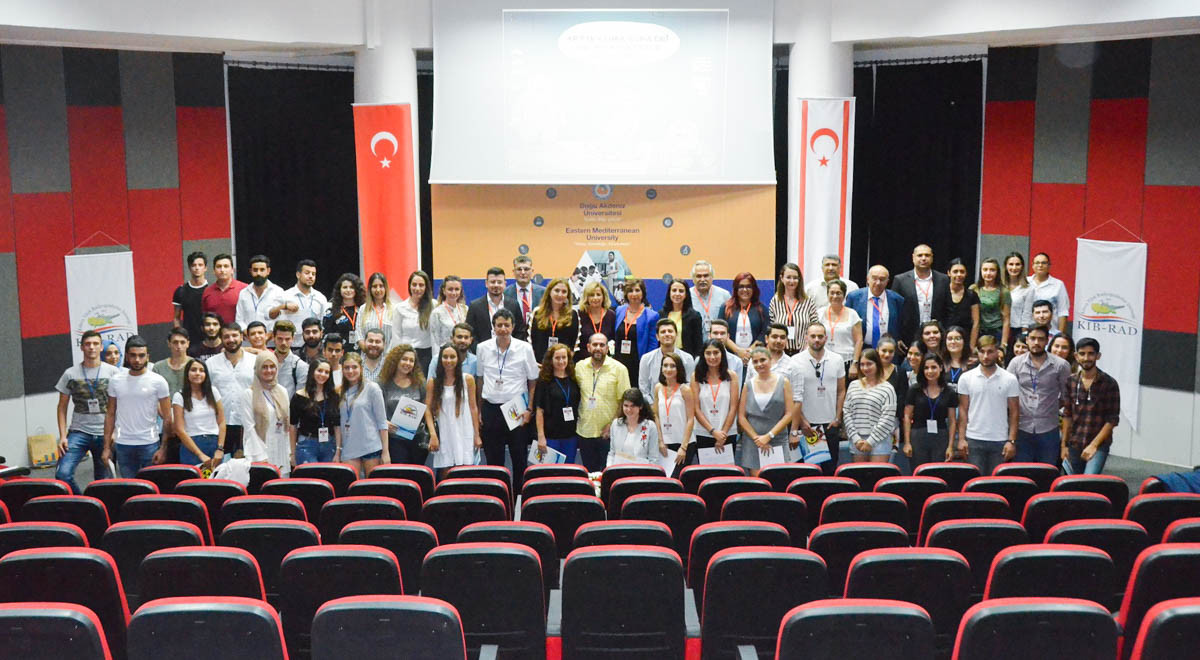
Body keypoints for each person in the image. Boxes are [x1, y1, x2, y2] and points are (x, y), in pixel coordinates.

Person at [476, 309, 539, 492]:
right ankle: (498, 497)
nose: (503, 329)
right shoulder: (482, 348)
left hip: (516, 408)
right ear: (493, 327)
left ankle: (519, 498)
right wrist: (479, 410)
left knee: (519, 458)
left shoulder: (524, 348)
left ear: (513, 327)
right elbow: (480, 379)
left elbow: (533, 380)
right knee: (493, 460)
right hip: (491, 409)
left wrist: (529, 409)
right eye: (499, 325)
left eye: (506, 325)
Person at [55, 330, 119, 493]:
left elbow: (121, 405)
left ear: (101, 347)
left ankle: (97, 506)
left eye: (95, 344)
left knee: (102, 482)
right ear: (82, 347)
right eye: (88, 344)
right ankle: (82, 501)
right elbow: (62, 407)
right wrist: (62, 436)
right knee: (62, 474)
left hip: (105, 434)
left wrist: (115, 431)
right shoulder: (70, 374)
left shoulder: (113, 373)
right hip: (79, 432)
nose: (91, 347)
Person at [102, 336, 171, 478]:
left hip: (150, 443)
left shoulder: (158, 381)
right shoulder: (115, 381)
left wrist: (164, 448)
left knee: (151, 487)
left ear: (147, 357)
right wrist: (107, 447)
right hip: (123, 444)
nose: (137, 360)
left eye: (141, 355)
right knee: (129, 487)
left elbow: (167, 417)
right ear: (127, 356)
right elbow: (110, 414)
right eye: (133, 355)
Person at [1006, 325, 1072, 465]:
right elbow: (1007, 394)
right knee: (1020, 472)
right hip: (1021, 428)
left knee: (1047, 471)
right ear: (1027, 340)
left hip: (1049, 428)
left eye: (1041, 339)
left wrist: (1050, 406)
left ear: (1047, 341)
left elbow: (1067, 398)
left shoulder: (1061, 365)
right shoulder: (1016, 363)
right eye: (1033, 338)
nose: (1036, 342)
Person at [955, 336, 1020, 474]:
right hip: (973, 439)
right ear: (977, 352)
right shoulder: (966, 378)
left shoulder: (1010, 379)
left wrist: (1011, 441)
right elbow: (963, 410)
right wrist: (961, 439)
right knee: (975, 483)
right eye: (982, 351)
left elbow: (1014, 412)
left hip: (1000, 440)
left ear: (997, 352)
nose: (985, 356)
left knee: (996, 483)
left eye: (990, 352)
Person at [791, 323, 846, 474]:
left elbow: (841, 390)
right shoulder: (795, 361)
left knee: (830, 471)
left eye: (820, 336)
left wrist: (838, 418)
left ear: (826, 338)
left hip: (830, 425)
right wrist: (801, 421)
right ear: (806, 337)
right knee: (805, 472)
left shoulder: (837, 359)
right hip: (806, 426)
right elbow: (792, 395)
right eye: (813, 336)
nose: (816, 339)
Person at [1061, 338, 1119, 475]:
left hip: (1098, 444)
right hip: (1074, 443)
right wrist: (1064, 445)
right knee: (1073, 483)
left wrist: (1093, 445)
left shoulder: (1109, 383)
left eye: (1091, 354)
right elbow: (1067, 415)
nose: (1086, 358)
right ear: (1076, 356)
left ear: (1098, 356)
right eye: (1082, 354)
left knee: (1089, 481)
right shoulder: (1070, 381)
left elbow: (1112, 420)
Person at [575, 333, 632, 472]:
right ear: (588, 347)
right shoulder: (579, 367)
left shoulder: (619, 369)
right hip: (585, 431)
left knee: (609, 474)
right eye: (595, 344)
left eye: (602, 345)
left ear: (607, 348)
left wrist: (611, 425)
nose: (598, 348)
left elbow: (625, 401)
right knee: (589, 474)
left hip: (609, 433)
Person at [737, 345, 795, 475]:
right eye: (755, 362)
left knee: (778, 480)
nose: (759, 364)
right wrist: (757, 439)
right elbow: (741, 417)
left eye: (762, 360)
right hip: (753, 442)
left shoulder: (783, 382)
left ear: (770, 360)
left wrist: (769, 436)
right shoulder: (748, 385)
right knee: (758, 483)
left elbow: (789, 414)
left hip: (777, 439)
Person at [426, 343, 481, 476]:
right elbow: (427, 410)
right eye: (445, 357)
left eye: (452, 357)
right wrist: (433, 435)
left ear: (458, 359)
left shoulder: (468, 379)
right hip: (444, 431)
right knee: (445, 472)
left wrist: (477, 435)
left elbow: (473, 408)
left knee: (465, 471)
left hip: (464, 429)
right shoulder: (433, 382)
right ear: (440, 359)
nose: (449, 360)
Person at [207, 323, 256, 458]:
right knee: (220, 465)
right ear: (221, 339)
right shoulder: (211, 363)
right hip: (220, 424)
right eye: (226, 336)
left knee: (247, 464)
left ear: (242, 337)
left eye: (235, 335)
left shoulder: (255, 361)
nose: (231, 340)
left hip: (247, 423)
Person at [238, 351, 292, 476]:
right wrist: (261, 456)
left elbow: (287, 425)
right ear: (257, 369)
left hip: (280, 450)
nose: (269, 370)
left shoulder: (282, 391)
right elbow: (249, 428)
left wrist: (289, 452)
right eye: (264, 367)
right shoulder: (249, 394)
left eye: (272, 366)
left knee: (282, 485)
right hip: (259, 453)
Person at [902, 354, 958, 468]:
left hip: (941, 436)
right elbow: (907, 416)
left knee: (937, 472)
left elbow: (952, 421)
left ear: (941, 368)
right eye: (926, 368)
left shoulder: (949, 392)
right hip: (918, 436)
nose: (930, 371)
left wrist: (950, 446)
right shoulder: (914, 390)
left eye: (933, 367)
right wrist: (907, 443)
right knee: (919, 472)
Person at [338, 352, 390, 476]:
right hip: (349, 446)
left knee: (371, 485)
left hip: (370, 446)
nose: (350, 371)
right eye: (347, 368)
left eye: (354, 367)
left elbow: (382, 422)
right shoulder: (339, 391)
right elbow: (338, 424)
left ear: (361, 368)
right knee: (351, 485)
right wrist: (338, 450)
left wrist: (385, 452)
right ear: (342, 370)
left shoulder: (372, 388)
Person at [843, 348, 897, 463]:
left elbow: (887, 418)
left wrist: (871, 441)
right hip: (857, 441)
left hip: (880, 441)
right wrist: (856, 439)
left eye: (869, 364)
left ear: (877, 364)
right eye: (862, 364)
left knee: (877, 474)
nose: (865, 368)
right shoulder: (853, 385)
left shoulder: (887, 388)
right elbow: (847, 412)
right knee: (860, 474)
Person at [891, 244, 950, 347]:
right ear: (913, 257)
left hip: (936, 336)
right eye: (920, 255)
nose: (923, 258)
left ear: (932, 258)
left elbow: (948, 309)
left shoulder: (943, 279)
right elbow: (894, 311)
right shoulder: (900, 280)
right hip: (908, 336)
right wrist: (897, 337)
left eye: (927, 255)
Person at [693, 339, 741, 466]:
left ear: (722, 354)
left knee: (726, 473)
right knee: (706, 472)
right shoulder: (696, 376)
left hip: (727, 433)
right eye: (708, 353)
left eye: (716, 353)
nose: (712, 357)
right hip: (704, 432)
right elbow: (696, 409)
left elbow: (733, 407)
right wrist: (713, 431)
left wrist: (722, 433)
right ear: (703, 355)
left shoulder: (732, 376)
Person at [379, 344, 428, 466]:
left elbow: (427, 408)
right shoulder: (383, 383)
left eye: (411, 360)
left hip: (417, 440)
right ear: (395, 360)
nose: (408, 363)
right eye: (404, 359)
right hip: (393, 440)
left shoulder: (420, 383)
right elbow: (375, 411)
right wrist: (384, 422)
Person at [171, 358, 225, 468]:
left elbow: (222, 422)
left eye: (201, 370)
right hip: (191, 446)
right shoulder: (179, 396)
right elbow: (179, 430)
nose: (197, 373)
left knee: (216, 478)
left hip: (214, 444)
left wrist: (220, 448)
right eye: (193, 370)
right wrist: (200, 454)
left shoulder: (213, 392)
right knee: (193, 479)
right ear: (187, 373)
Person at [533, 343, 581, 463]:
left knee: (569, 469)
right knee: (550, 470)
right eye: (557, 358)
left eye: (564, 357)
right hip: (550, 436)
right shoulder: (544, 381)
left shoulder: (574, 378)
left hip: (570, 435)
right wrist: (541, 436)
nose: (561, 361)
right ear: (551, 360)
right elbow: (539, 410)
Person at [290, 357, 341, 465]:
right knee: (311, 475)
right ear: (312, 371)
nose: (323, 374)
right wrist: (293, 453)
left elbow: (337, 426)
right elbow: (293, 426)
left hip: (329, 444)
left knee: (328, 476)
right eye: (319, 370)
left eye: (326, 372)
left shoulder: (334, 396)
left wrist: (338, 451)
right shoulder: (299, 396)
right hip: (307, 444)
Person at [847, 265, 904, 355]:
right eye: (874, 278)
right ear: (868, 279)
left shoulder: (897, 299)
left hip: (887, 351)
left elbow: (901, 324)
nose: (878, 283)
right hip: (862, 349)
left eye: (882, 279)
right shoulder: (854, 297)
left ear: (887, 282)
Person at [654, 352, 696, 474]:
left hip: (683, 443)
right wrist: (660, 441)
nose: (668, 369)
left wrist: (683, 447)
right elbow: (656, 415)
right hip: (664, 444)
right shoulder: (658, 388)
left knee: (677, 478)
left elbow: (690, 419)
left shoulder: (685, 390)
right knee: (664, 478)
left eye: (673, 366)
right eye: (665, 365)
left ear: (679, 369)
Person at [467, 267, 528, 347]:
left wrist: (513, 349)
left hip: (510, 351)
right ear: (486, 283)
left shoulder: (513, 305)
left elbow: (520, 331)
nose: (496, 285)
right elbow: (470, 333)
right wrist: (480, 350)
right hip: (484, 351)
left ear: (505, 284)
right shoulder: (475, 306)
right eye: (492, 282)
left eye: (499, 282)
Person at [615, 277, 659, 385]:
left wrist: (647, 366)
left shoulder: (651, 316)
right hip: (619, 362)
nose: (634, 294)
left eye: (637, 290)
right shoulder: (619, 310)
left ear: (643, 293)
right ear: (626, 294)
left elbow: (653, 345)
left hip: (638, 364)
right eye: (630, 291)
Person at [768, 263, 819, 356]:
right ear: (782, 278)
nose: (792, 281)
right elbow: (772, 328)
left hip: (803, 352)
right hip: (780, 353)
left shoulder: (808, 302)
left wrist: (807, 347)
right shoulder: (775, 301)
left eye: (795, 278)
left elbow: (815, 327)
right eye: (788, 277)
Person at [638, 319, 696, 400]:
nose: (667, 334)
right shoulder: (646, 359)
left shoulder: (687, 359)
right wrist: (653, 406)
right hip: (653, 405)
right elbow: (644, 390)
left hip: (680, 404)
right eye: (663, 332)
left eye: (670, 331)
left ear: (676, 335)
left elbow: (689, 386)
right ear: (657, 337)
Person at [718, 272, 770, 360]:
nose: (745, 290)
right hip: (730, 357)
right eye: (741, 286)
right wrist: (738, 351)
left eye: (749, 286)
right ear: (736, 289)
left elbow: (764, 333)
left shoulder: (762, 309)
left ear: (754, 289)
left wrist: (750, 352)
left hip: (755, 357)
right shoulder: (725, 308)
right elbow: (721, 331)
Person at [276, 259, 328, 346]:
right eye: (307, 273)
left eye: (313, 274)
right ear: (298, 274)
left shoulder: (321, 298)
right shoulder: (285, 296)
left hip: (314, 345)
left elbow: (324, 323)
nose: (311, 276)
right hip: (291, 345)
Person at [818, 280, 863, 377]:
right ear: (827, 294)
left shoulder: (852, 314)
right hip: (824, 361)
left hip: (846, 362)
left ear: (844, 295)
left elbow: (859, 341)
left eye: (838, 293)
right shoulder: (819, 313)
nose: (835, 296)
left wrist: (855, 364)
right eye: (832, 293)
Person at [391, 270, 435, 368]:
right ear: (409, 286)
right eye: (414, 285)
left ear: (426, 287)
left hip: (426, 355)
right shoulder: (399, 308)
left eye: (421, 285)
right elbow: (396, 336)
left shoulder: (434, 306)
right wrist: (398, 357)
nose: (417, 288)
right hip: (405, 355)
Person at [607, 388, 661, 466]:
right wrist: (609, 468)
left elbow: (653, 459)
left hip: (641, 471)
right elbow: (612, 453)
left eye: (633, 406)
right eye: (626, 406)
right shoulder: (616, 424)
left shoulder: (650, 426)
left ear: (640, 406)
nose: (629, 409)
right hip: (619, 470)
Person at [530, 278, 580, 362]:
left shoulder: (573, 314)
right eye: (557, 290)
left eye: (564, 292)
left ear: (567, 295)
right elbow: (531, 341)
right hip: (539, 364)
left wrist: (563, 364)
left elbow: (574, 345)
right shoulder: (537, 312)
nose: (560, 294)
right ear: (549, 292)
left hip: (563, 365)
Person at [235, 255, 285, 333]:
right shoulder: (243, 293)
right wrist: (248, 334)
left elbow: (281, 318)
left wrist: (269, 335)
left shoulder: (278, 292)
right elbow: (239, 319)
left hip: (271, 338)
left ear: (268, 271)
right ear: (250, 271)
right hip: (248, 338)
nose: (258, 273)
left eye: (262, 270)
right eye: (255, 270)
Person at [876, 336, 909, 455]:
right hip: (870, 421)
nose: (887, 354)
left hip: (892, 422)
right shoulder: (869, 370)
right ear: (877, 350)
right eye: (884, 351)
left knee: (890, 457)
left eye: (890, 351)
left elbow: (903, 398)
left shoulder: (900, 371)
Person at [971, 258, 1011, 350]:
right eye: (985, 270)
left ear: (997, 272)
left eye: (992, 270)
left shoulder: (1004, 291)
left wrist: (1003, 344)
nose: (988, 273)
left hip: (996, 333)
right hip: (978, 332)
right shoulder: (974, 289)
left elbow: (1006, 320)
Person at [659, 278, 705, 357]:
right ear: (669, 293)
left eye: (681, 291)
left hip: (686, 357)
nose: (677, 294)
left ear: (686, 294)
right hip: (664, 356)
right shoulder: (661, 314)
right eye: (674, 290)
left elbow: (698, 345)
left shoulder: (694, 316)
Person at [575, 280, 616, 363]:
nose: (595, 298)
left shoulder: (611, 315)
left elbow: (613, 339)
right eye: (591, 295)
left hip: (605, 362)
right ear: (586, 298)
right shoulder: (579, 315)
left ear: (603, 297)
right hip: (583, 362)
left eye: (598, 294)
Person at [1028, 253, 1070, 334]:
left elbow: (1063, 312)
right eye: (1037, 263)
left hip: (1051, 331)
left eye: (1043, 263)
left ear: (1049, 266)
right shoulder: (1025, 283)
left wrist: (1060, 336)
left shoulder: (1058, 285)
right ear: (1032, 265)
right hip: (1029, 330)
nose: (1040, 265)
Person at [1002, 252, 1035, 355]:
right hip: (998, 328)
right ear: (1005, 266)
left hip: (1016, 330)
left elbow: (1027, 313)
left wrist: (1023, 335)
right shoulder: (999, 286)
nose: (1014, 267)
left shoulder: (1028, 288)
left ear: (1022, 267)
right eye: (1011, 264)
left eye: (1017, 264)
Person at [200, 253, 246, 325]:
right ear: (214, 271)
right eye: (219, 266)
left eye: (226, 266)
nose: (222, 269)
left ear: (232, 270)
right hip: (214, 331)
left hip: (237, 331)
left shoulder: (244, 289)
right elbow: (205, 317)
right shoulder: (207, 291)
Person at [173, 251, 209, 343]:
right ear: (189, 268)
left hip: (209, 339)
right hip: (189, 339)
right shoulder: (181, 291)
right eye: (194, 265)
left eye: (200, 265)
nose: (197, 268)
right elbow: (176, 318)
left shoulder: (211, 290)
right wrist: (180, 336)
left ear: (205, 268)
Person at [943, 258, 980, 348]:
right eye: (955, 271)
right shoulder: (941, 292)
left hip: (965, 341)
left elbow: (976, 322)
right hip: (945, 341)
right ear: (949, 273)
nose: (959, 274)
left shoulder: (972, 295)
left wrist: (971, 346)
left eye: (962, 272)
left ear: (966, 273)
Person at [689, 260, 731, 338]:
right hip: (694, 342)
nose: (702, 279)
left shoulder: (724, 295)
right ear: (693, 278)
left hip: (718, 341)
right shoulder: (687, 296)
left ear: (712, 277)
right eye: (698, 276)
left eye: (706, 276)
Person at [323, 273, 366, 346]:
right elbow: (326, 336)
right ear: (339, 290)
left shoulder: (364, 309)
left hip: (362, 351)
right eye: (345, 287)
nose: (348, 290)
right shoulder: (330, 312)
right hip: (339, 351)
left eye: (352, 287)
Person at [505, 255, 547, 328]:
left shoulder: (543, 292)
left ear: (532, 271)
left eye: (526, 269)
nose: (523, 272)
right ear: (513, 272)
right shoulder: (505, 293)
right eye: (519, 269)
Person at [358, 272, 396, 350]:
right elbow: (359, 334)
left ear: (385, 288)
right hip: (367, 355)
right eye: (374, 286)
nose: (378, 290)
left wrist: (388, 354)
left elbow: (396, 336)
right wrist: (369, 352)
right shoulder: (363, 309)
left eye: (381, 286)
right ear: (370, 289)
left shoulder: (394, 309)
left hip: (388, 355)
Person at [429, 275, 468, 350]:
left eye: (457, 289)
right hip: (446, 353)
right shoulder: (437, 313)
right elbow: (435, 340)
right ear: (444, 291)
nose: (454, 293)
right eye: (450, 289)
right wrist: (436, 357)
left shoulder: (465, 309)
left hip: (463, 351)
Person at [272, 321, 308, 398]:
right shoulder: (264, 362)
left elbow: (300, 398)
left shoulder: (301, 366)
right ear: (273, 338)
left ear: (293, 339)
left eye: (287, 339)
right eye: (280, 339)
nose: (283, 343)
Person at [152, 327, 191, 397]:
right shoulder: (158, 368)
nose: (179, 346)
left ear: (188, 344)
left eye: (182, 342)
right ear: (169, 343)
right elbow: (153, 393)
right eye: (175, 342)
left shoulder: (195, 365)